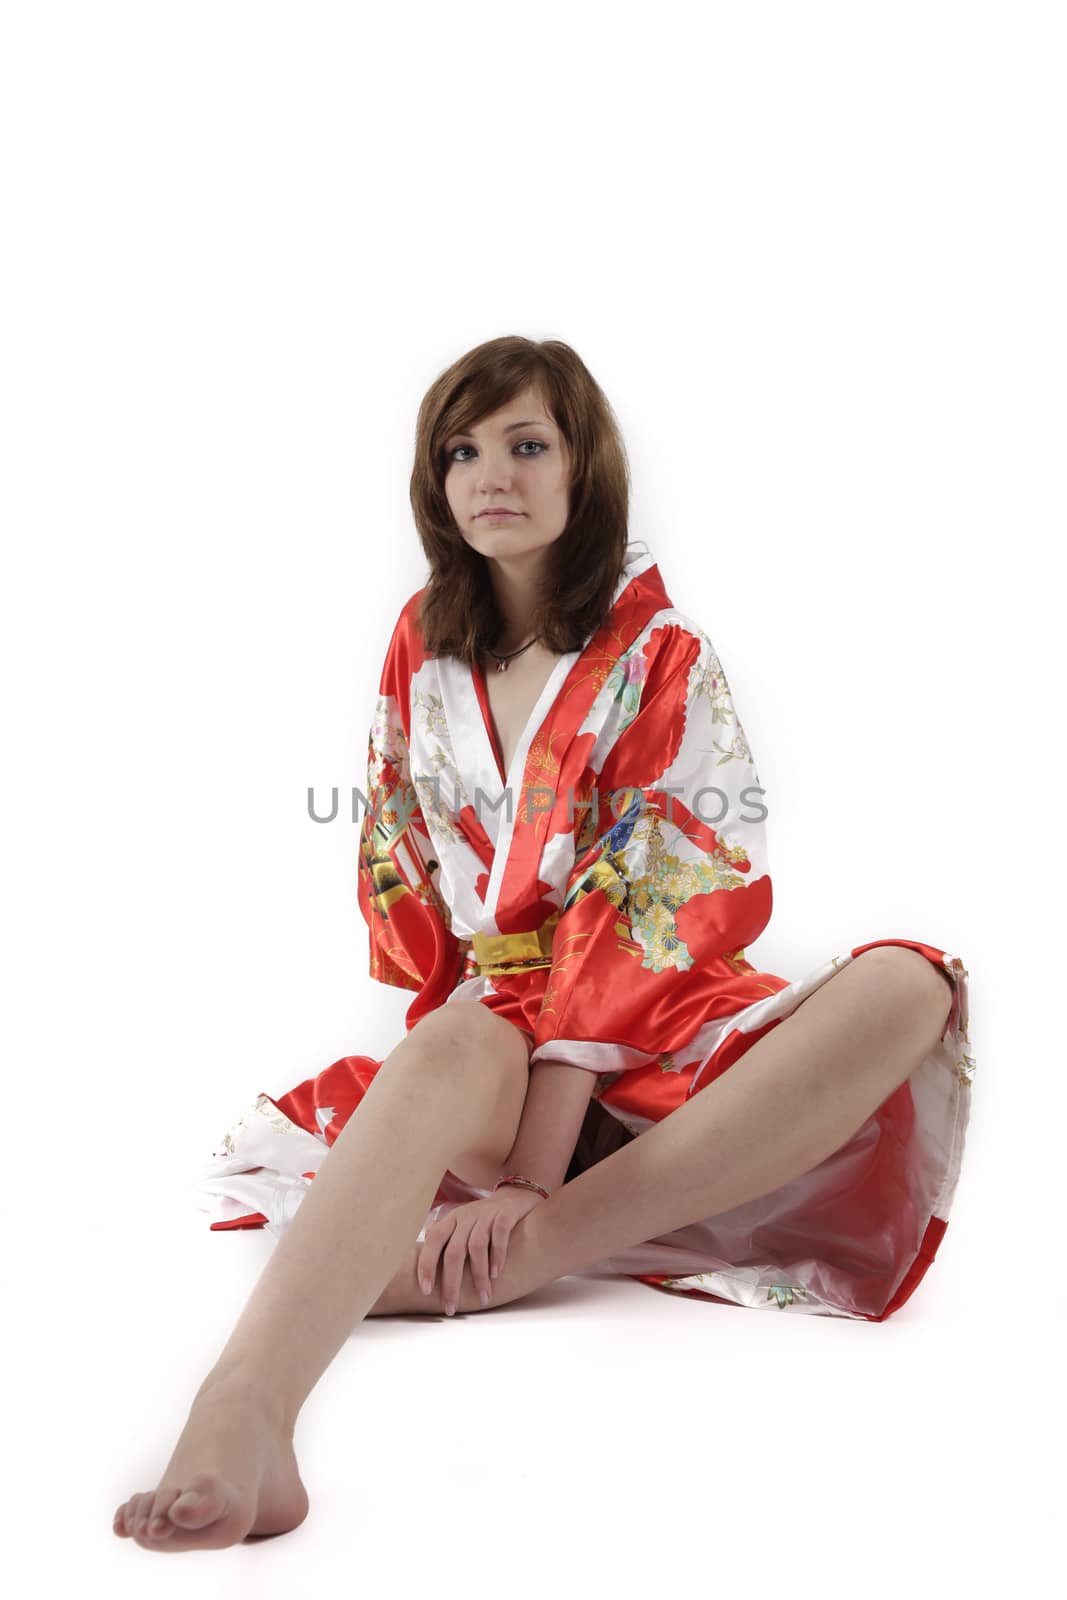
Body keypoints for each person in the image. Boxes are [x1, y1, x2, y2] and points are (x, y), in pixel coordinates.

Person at [114, 336, 973, 1552]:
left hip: (658, 1020)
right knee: (452, 1037)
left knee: (905, 985)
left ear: (584, 472)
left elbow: (652, 898)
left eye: (526, 445)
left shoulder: (659, 652)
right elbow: (402, 860)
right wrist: (471, 1045)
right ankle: (240, 1411)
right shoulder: (423, 640)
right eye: (460, 450)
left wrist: (527, 1182)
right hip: (496, 1024)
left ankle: (534, 1250)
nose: (489, 474)